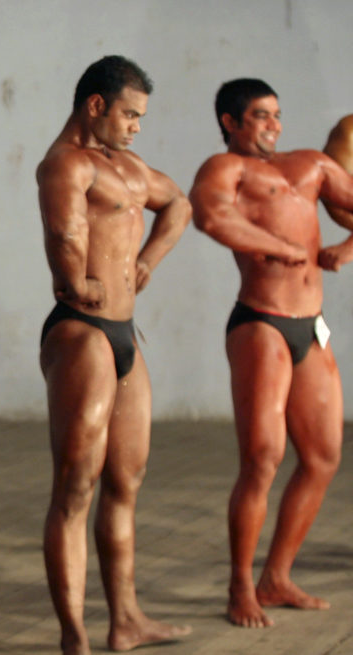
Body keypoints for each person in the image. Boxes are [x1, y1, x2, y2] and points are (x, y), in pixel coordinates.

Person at [35, 55, 191, 654]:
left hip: (125, 333)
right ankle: (74, 634)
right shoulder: (65, 165)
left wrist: (147, 261)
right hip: (82, 333)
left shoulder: (126, 166)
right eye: (129, 114)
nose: (135, 127)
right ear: (96, 105)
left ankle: (124, 619)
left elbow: (179, 206)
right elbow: (65, 238)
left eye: (141, 118)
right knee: (76, 486)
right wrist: (74, 278)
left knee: (126, 480)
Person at [191, 78, 353, 629]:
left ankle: (276, 577)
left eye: (276, 115)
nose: (273, 125)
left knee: (324, 456)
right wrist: (280, 246)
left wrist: (346, 247)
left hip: (312, 325)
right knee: (262, 458)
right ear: (231, 122)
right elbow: (212, 217)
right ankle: (240, 585)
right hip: (261, 322)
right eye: (260, 116)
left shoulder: (311, 165)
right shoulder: (226, 168)